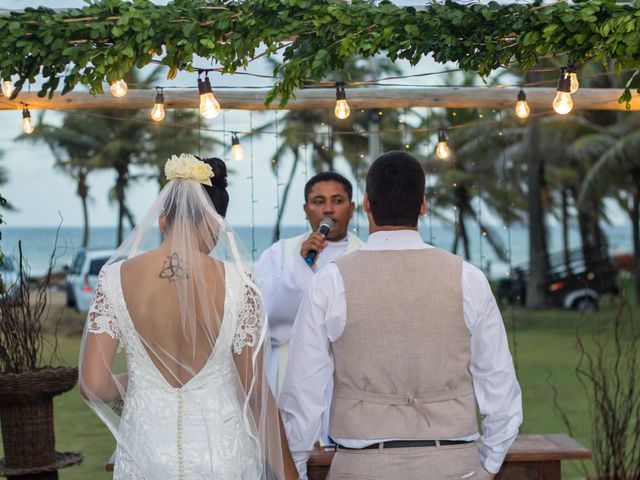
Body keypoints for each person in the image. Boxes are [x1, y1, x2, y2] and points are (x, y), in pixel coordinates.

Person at [280, 151, 522, 480]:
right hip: (453, 461)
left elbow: (302, 392)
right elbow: (500, 386)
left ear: (365, 203)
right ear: (422, 204)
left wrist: (296, 468)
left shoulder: (331, 281)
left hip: (361, 465)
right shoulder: (468, 278)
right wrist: (488, 466)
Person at [80, 154, 297, 479]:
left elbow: (93, 385)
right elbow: (254, 396)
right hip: (224, 457)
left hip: (146, 456)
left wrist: (139, 382)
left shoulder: (114, 279)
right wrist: (290, 475)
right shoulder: (240, 284)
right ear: (215, 222)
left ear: (162, 219)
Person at [256, 172, 363, 397]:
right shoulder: (281, 253)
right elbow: (261, 316)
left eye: (337, 201)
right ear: (306, 210)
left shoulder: (366, 255)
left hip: (348, 373)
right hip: (290, 367)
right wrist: (299, 266)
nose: (328, 210)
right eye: (318, 202)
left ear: (352, 208)